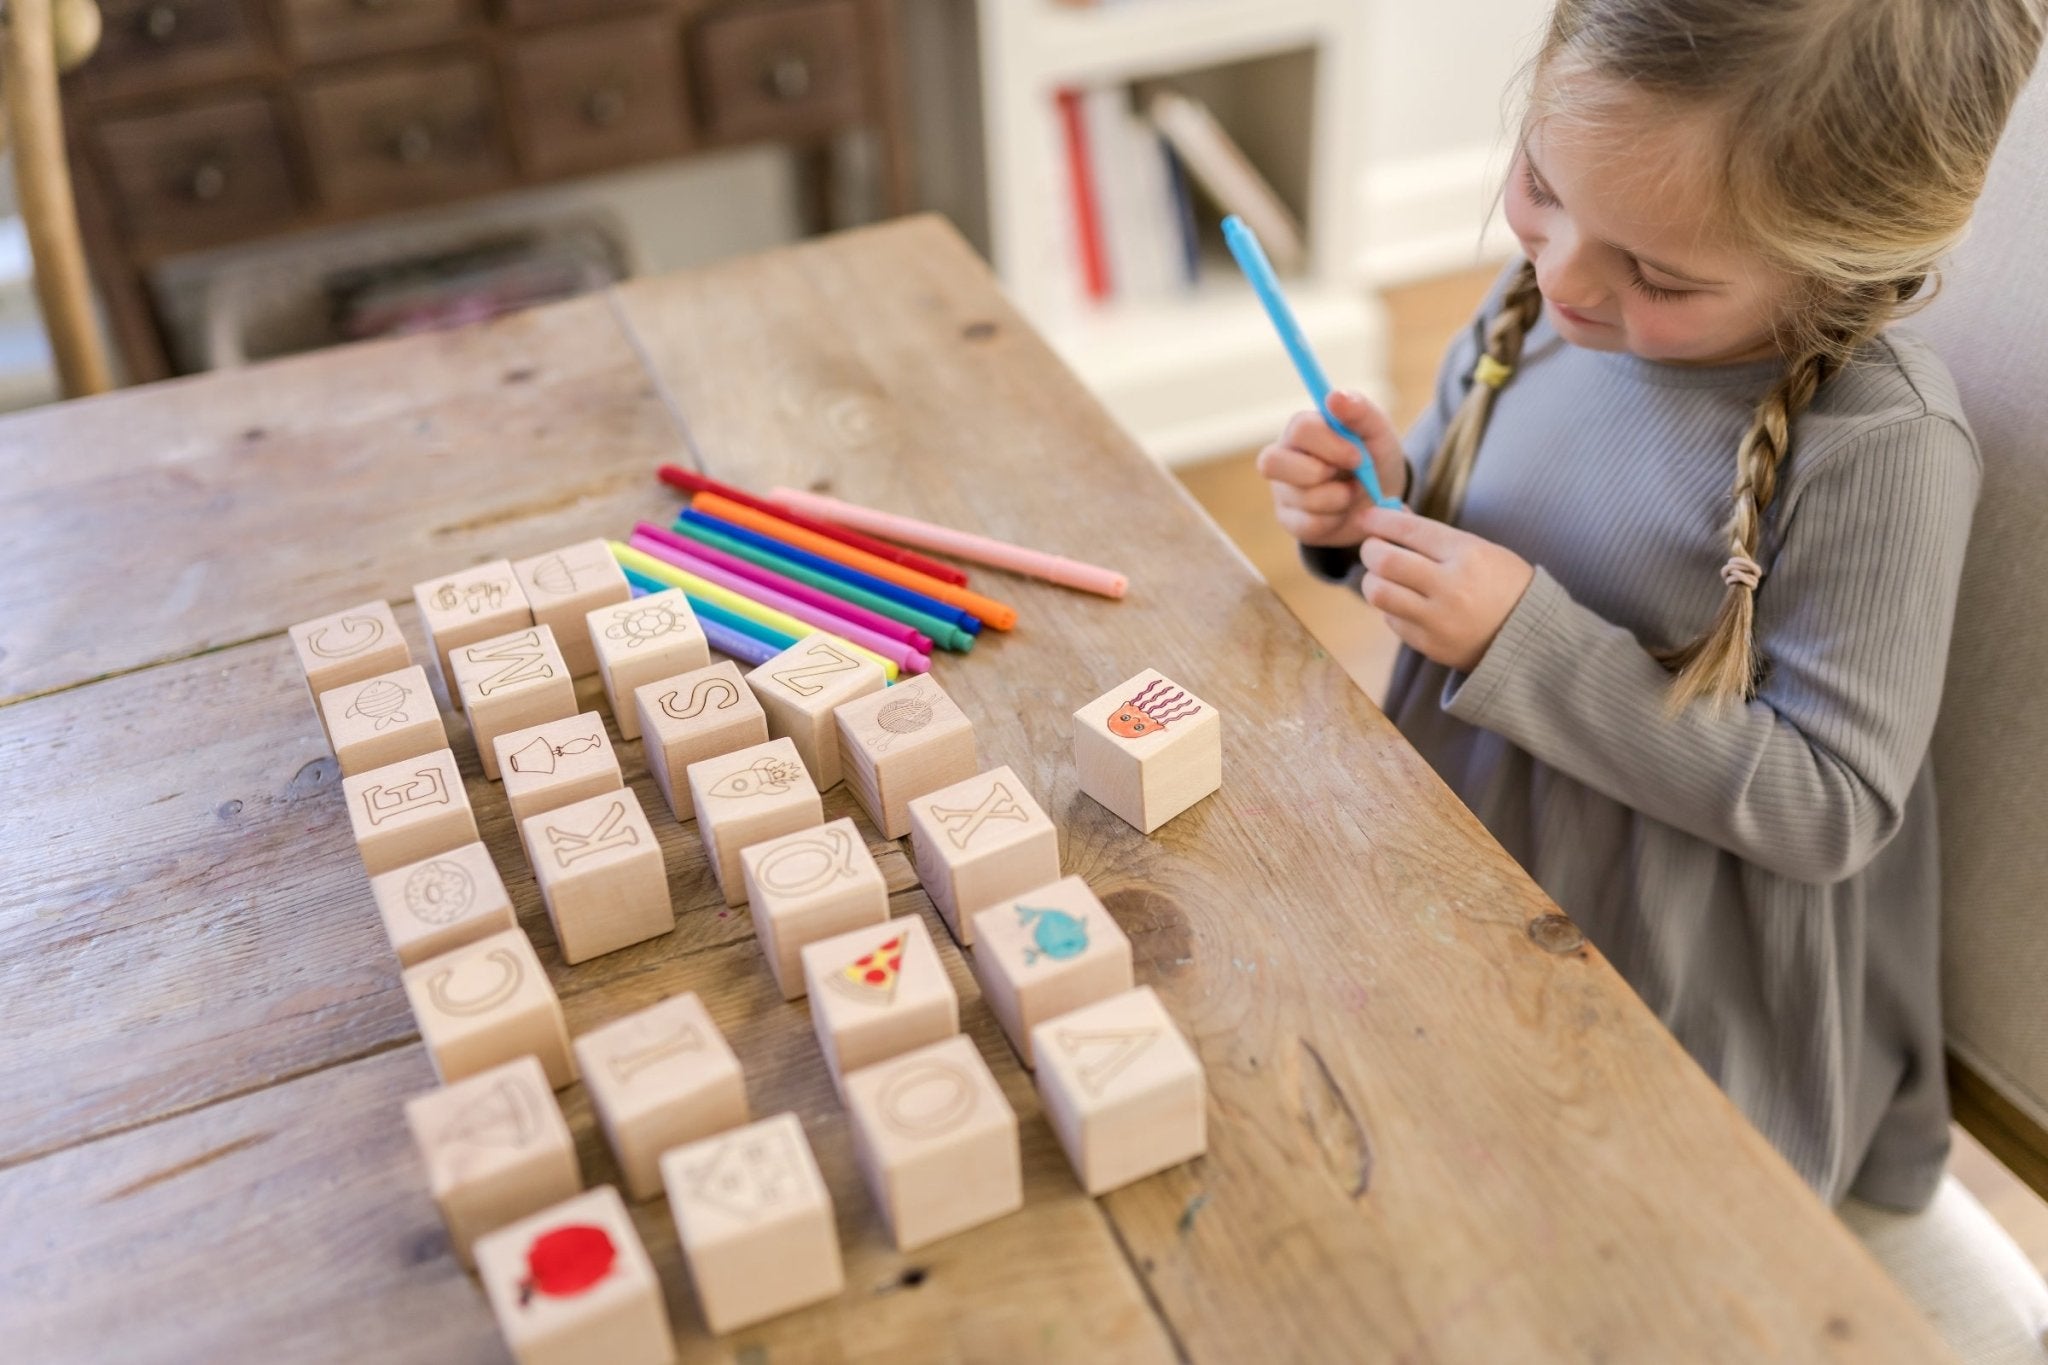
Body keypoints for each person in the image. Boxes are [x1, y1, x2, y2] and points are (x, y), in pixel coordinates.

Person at [1260, 0, 2046, 1209]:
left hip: (1665, 996)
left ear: (1839, 262)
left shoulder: (1882, 446)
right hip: (1450, 875)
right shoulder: (1539, 297)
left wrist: (1527, 643)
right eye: (1538, 182)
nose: (1559, 269)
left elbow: (1828, 806)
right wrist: (1372, 505)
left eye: (1658, 275)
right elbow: (1461, 535)